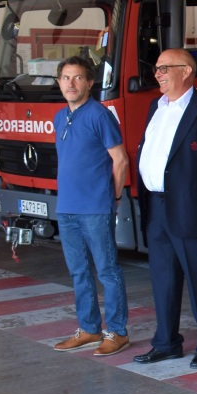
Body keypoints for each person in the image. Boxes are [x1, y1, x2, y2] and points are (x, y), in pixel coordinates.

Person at [132, 49, 197, 370]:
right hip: (156, 207)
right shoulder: (154, 108)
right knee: (163, 280)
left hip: (190, 209)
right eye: (155, 68)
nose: (156, 74)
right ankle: (166, 342)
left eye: (163, 68)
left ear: (186, 71)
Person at [50, 56, 131, 357]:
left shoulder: (100, 115)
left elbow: (120, 160)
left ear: (90, 82)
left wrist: (115, 198)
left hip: (96, 207)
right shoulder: (60, 117)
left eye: (78, 78)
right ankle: (89, 329)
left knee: (108, 271)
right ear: (59, 82)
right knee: (79, 271)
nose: (70, 83)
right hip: (66, 207)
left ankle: (118, 332)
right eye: (65, 77)